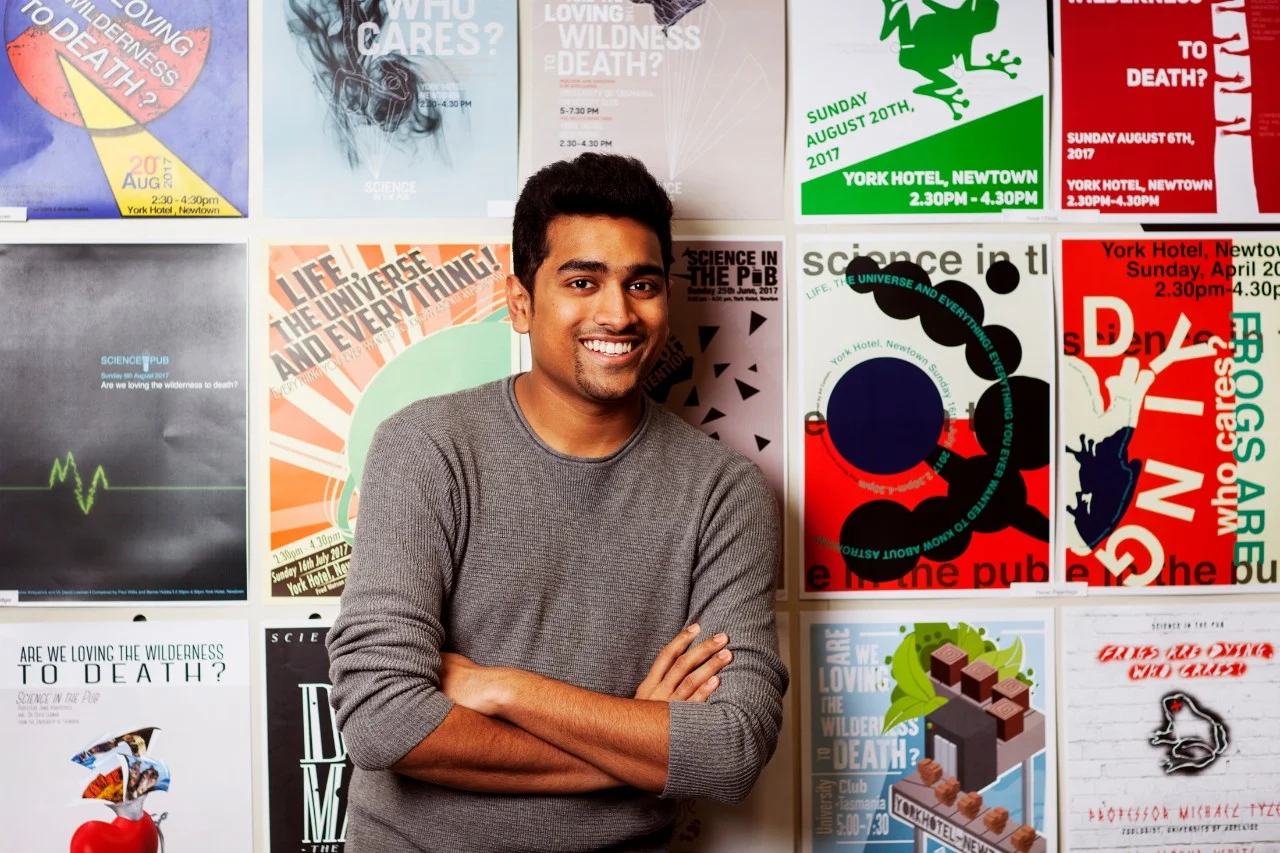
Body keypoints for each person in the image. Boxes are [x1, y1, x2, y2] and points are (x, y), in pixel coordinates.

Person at [326, 152, 788, 852]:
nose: (618, 313)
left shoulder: (724, 493)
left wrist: (507, 689)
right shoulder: (426, 448)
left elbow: (731, 749)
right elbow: (382, 720)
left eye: (642, 284)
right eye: (582, 281)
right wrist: (636, 745)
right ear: (521, 303)